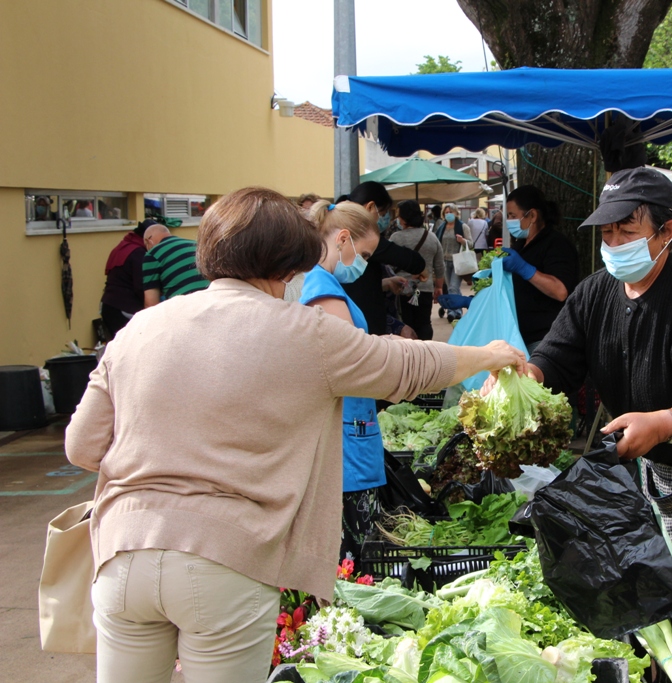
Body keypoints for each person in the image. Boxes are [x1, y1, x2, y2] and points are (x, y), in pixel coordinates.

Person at [66, 186, 525, 682]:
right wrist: (489, 355)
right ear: (291, 264)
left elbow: (82, 446)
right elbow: (404, 363)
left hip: (121, 554)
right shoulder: (304, 332)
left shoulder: (139, 329)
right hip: (226, 561)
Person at [506, 166, 672, 624]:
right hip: (656, 461)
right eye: (607, 234)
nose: (614, 245)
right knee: (655, 593)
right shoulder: (595, 293)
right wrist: (517, 379)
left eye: (627, 232)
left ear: (666, 231)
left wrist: (666, 422)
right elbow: (555, 360)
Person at [299, 200, 391, 565]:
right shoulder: (322, 289)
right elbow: (353, 362)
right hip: (345, 444)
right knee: (355, 559)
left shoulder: (326, 283)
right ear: (342, 239)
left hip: (352, 430)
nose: (364, 264)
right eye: (364, 253)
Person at [337, 182, 426, 336]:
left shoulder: (341, 226)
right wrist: (421, 267)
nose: (384, 219)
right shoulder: (359, 232)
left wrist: (385, 283)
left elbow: (356, 282)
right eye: (383, 213)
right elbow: (399, 255)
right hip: (360, 326)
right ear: (370, 207)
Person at [502, 186, 579, 355]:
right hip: (519, 338)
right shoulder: (520, 246)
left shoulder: (556, 245)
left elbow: (560, 291)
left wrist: (525, 269)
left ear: (532, 215)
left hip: (546, 339)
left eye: (513, 216)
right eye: (507, 216)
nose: (509, 221)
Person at [390, 200, 445, 340]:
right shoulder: (431, 238)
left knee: (406, 323)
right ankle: (426, 349)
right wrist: (439, 287)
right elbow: (439, 266)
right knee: (424, 322)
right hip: (425, 289)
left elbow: (388, 266)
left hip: (402, 289)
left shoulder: (396, 238)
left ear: (403, 218)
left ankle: (411, 354)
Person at [100, 220, 151, 337]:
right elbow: (141, 286)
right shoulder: (138, 253)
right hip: (124, 308)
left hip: (108, 304)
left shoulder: (123, 246)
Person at [142, 224, 210, 307]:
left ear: (148, 241)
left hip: (184, 307)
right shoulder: (197, 245)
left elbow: (151, 304)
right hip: (211, 300)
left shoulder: (152, 254)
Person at [434, 203, 467, 320]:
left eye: (451, 212)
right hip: (444, 262)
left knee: (453, 287)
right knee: (451, 287)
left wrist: (463, 241)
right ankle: (458, 309)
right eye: (446, 212)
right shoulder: (441, 228)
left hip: (458, 262)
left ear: (456, 213)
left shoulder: (463, 227)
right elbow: (437, 243)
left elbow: (471, 243)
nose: (448, 214)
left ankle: (452, 311)